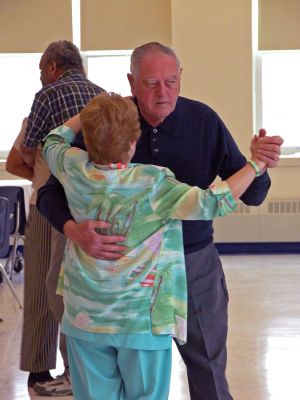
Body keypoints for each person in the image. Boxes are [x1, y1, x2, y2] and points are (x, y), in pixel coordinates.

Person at [37, 42, 283, 400]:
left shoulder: (203, 121)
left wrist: (257, 164)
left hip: (191, 264)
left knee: (208, 369)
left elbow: (253, 195)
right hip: (123, 292)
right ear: (131, 82)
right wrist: (72, 229)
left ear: (181, 77)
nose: (163, 92)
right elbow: (48, 194)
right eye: (151, 83)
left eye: (171, 81)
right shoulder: (111, 126)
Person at [6, 39, 104, 396]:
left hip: (47, 205)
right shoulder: (103, 98)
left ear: (51, 67)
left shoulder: (44, 99)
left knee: (42, 292)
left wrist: (40, 172)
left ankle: (40, 371)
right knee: (77, 289)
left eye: (40, 70)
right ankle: (80, 366)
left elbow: (21, 156)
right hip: (88, 206)